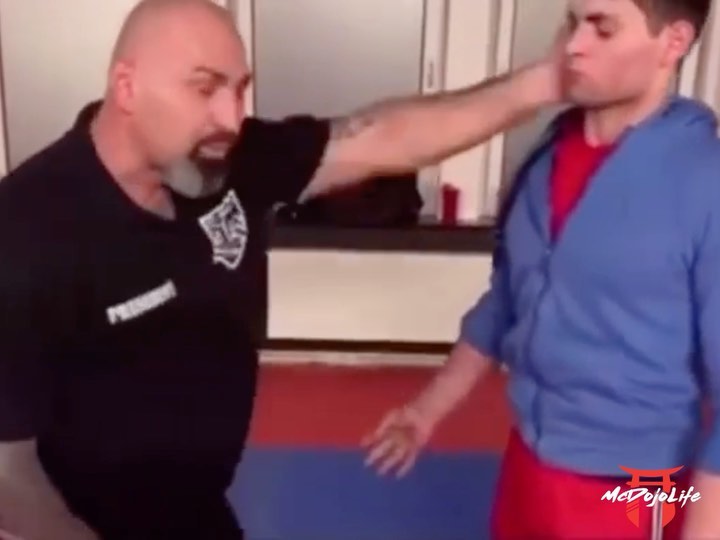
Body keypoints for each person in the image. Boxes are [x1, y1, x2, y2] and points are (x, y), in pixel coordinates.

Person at [0, 1, 563, 539]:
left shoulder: (228, 159)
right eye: (204, 88)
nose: (231, 117)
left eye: (239, 88)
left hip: (199, 515)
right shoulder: (26, 230)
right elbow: (7, 476)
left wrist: (542, 84)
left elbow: (383, 137)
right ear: (127, 87)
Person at [363, 0, 720, 538]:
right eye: (572, 22)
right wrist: (425, 411)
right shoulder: (546, 157)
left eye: (602, 28)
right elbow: (507, 299)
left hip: (638, 488)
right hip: (529, 463)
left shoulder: (705, 183)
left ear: (673, 42)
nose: (573, 45)